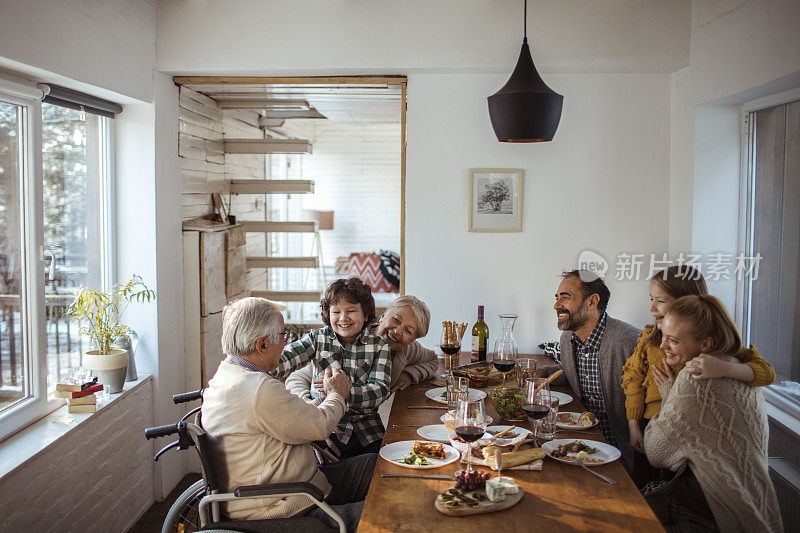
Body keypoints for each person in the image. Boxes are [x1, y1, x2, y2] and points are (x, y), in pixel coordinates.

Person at [201, 297, 376, 532]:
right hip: (284, 504)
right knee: (381, 512)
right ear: (262, 345)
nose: (286, 342)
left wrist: (318, 403)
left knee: (374, 465)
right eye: (284, 335)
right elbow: (319, 427)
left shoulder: (228, 375)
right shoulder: (257, 388)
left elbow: (289, 416)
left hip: (300, 486)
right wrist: (338, 394)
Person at [622, 266, 775, 487]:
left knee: (675, 492)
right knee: (644, 488)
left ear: (687, 302)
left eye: (661, 301)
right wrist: (633, 424)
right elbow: (633, 379)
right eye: (651, 299)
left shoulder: (712, 343)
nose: (652, 307)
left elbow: (767, 372)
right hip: (650, 426)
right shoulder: (649, 337)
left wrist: (724, 368)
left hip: (687, 433)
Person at [644, 295, 782, 532]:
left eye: (673, 340)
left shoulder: (696, 375)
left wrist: (668, 397)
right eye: (663, 335)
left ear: (706, 344)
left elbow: (655, 452)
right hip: (756, 504)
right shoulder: (737, 366)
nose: (662, 346)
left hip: (713, 513)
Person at [272, 277, 392, 459]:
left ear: (366, 315)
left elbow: (380, 390)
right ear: (328, 314)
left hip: (367, 430)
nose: (343, 318)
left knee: (378, 470)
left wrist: (345, 392)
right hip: (326, 428)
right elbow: (285, 359)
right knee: (323, 472)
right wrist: (260, 364)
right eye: (336, 312)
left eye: (351, 311)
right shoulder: (317, 338)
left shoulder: (379, 345)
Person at [545, 269, 640, 468]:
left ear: (592, 302)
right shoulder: (568, 338)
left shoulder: (629, 341)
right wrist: (542, 373)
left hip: (622, 449)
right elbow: (571, 371)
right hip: (582, 440)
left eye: (565, 297)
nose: (556, 305)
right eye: (556, 298)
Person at [287, 295, 438, 402]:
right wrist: (311, 411)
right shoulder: (345, 336)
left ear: (413, 340)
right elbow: (296, 378)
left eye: (408, 331)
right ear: (384, 315)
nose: (398, 331)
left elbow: (432, 361)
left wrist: (408, 375)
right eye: (396, 320)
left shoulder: (407, 350)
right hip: (322, 417)